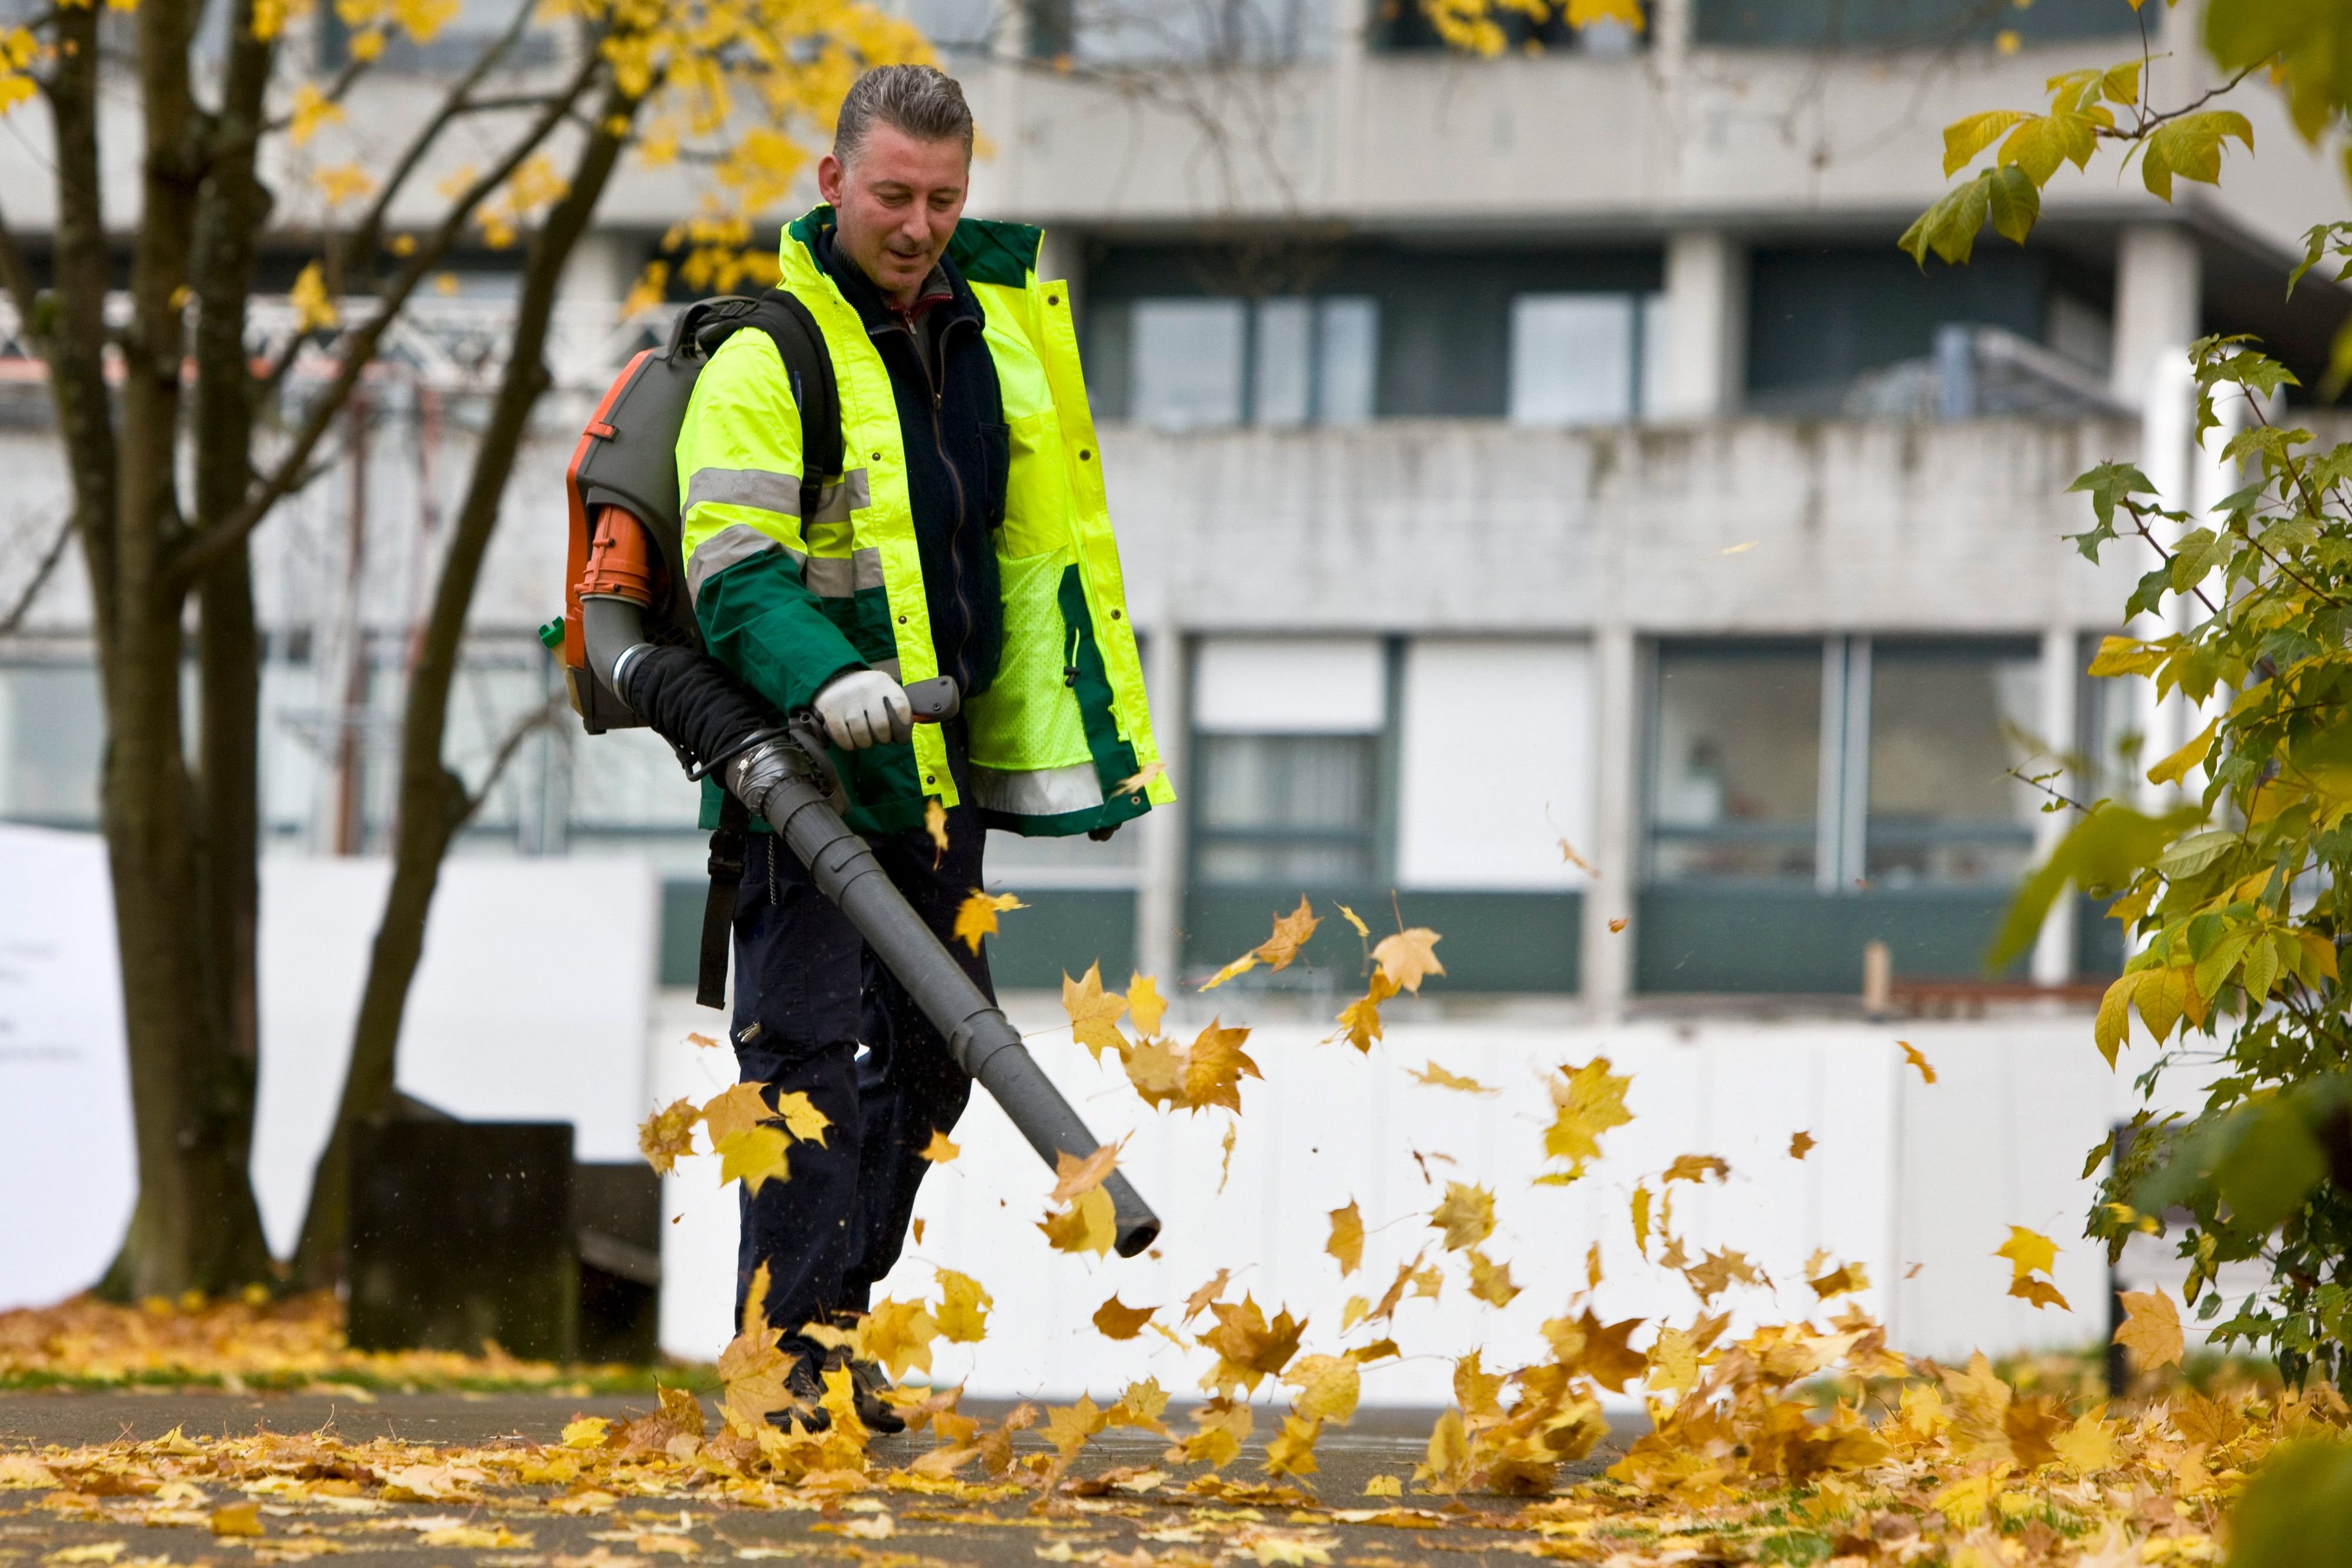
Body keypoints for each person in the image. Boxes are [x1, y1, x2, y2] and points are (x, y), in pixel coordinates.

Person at [673, 63, 1172, 1430]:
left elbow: (1029, 554)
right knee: (803, 1062)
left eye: (943, 199)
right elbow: (731, 571)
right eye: (892, 194)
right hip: (800, 775)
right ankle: (779, 1361)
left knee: (938, 1059)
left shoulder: (989, 336)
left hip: (935, 781)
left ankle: (830, 1327)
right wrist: (828, 678)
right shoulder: (767, 358)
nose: (917, 225)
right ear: (832, 181)